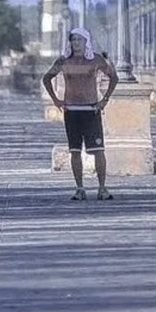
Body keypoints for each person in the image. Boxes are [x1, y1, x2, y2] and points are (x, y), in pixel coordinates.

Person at [42, 27, 118, 201]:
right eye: (73, 40)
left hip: (91, 110)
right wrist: (56, 99)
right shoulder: (63, 61)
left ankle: (102, 188)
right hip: (72, 111)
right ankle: (80, 188)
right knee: (75, 151)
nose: (76, 43)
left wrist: (104, 99)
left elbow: (114, 77)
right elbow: (47, 78)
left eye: (79, 40)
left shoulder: (95, 60)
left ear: (86, 42)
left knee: (98, 150)